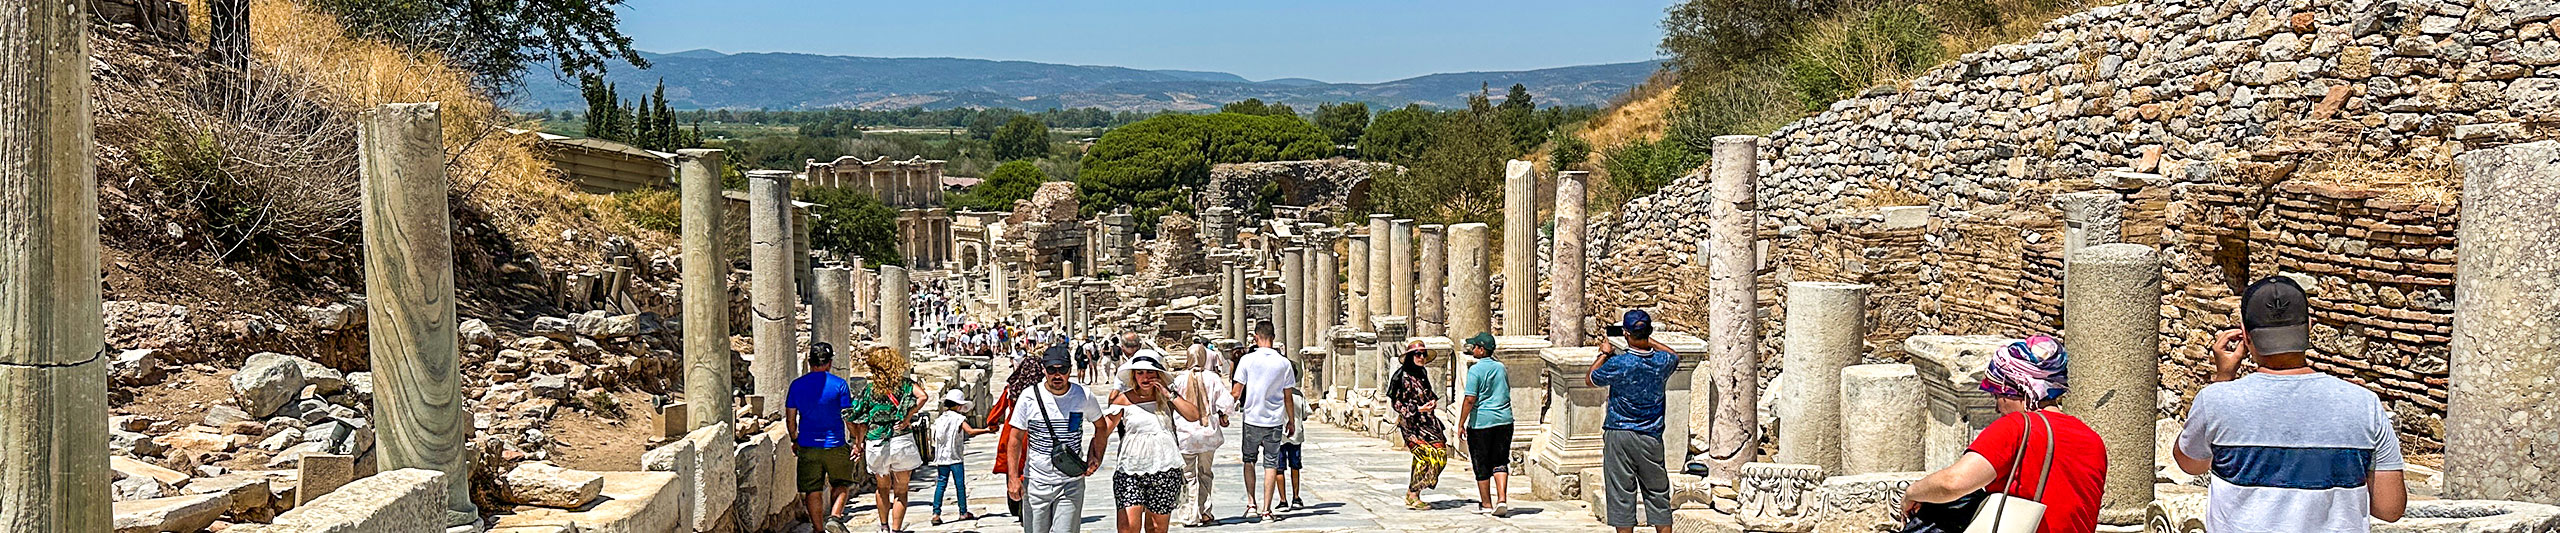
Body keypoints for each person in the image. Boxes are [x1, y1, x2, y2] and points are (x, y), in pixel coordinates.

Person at [2174, 277, 2405, 532]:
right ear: (2309, 328)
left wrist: (2223, 378)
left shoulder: (2216, 400)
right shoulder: (2366, 405)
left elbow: (2190, 464)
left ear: (2246, 336)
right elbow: (2389, 507)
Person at [1898, 335, 2107, 533]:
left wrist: (1912, 493)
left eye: (1997, 394)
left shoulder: (2016, 427)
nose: (1998, 407)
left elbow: (1952, 483)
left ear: (2019, 389)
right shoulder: (2093, 440)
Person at [1587, 310, 1677, 533]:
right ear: (1649, 331)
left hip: (1619, 433)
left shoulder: (1620, 362)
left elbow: (1590, 378)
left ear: (1626, 333)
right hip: (1650, 435)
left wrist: (1603, 353)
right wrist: (1647, 339)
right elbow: (1674, 355)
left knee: (1621, 494)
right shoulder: (1662, 361)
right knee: (1658, 494)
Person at [1007, 344, 1109, 533]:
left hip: (1071, 481)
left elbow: (1101, 427)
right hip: (1037, 481)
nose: (1057, 375)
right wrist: (1013, 478)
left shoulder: (1083, 395)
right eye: (1052, 370)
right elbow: (1015, 438)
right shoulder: (1029, 397)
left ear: (1069, 370)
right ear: (1044, 370)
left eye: (1062, 370)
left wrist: (1096, 455)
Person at [1102, 352, 1205, 533]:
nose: (1145, 377)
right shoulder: (1123, 399)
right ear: (1134, 376)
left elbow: (1194, 415)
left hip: (1164, 468)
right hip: (1130, 469)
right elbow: (1103, 431)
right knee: (1128, 528)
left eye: (1151, 373)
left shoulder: (1167, 398)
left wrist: (1169, 394)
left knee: (1156, 528)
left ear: (1158, 376)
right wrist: (1093, 456)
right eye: (1140, 372)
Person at [849, 346, 931, 533]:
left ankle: (884, 527)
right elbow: (923, 396)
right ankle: (896, 529)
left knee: (882, 487)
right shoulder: (905, 384)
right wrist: (908, 417)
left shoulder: (869, 391)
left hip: (877, 443)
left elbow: (856, 418)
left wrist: (858, 442)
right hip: (901, 440)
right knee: (901, 490)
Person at [786, 343, 860, 533]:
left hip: (808, 445)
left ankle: (818, 530)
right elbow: (847, 416)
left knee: (813, 489)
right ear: (829, 363)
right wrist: (855, 439)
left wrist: (795, 439)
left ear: (810, 362)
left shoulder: (796, 385)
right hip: (835, 443)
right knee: (841, 483)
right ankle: (835, 517)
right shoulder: (839, 385)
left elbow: (791, 419)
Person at [1229, 321, 1298, 522]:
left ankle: (1251, 504)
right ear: (1273, 337)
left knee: (1249, 460)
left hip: (1252, 418)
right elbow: (1288, 396)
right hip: (1274, 420)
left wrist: (1223, 411)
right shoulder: (1284, 363)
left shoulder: (1247, 360)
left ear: (1255, 337)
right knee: (1271, 464)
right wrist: (1291, 420)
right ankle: (1267, 509)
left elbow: (1236, 391)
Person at [1170, 344, 1236, 527]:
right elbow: (1228, 403)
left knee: (1187, 476)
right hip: (1208, 435)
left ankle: (1189, 515)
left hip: (1185, 435)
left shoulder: (1179, 380)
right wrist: (1223, 415)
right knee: (1205, 473)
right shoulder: (1212, 378)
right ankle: (1205, 511)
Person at [1454, 332, 1515, 516]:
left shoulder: (1476, 370)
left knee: (1481, 463)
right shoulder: (1501, 368)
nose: (1472, 349)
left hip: (1481, 422)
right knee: (1500, 461)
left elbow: (1470, 399)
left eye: (1475, 346)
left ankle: (1486, 503)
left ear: (1481, 349)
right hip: (1504, 420)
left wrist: (1461, 422)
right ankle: (1502, 499)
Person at [1387, 339, 1451, 511]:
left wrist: (1431, 403)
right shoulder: (1400, 376)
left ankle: (1414, 490)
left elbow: (1428, 393)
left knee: (1440, 455)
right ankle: (1413, 494)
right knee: (1424, 456)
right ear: (1410, 356)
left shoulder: (1422, 373)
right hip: (1412, 425)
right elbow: (1396, 404)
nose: (1421, 357)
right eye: (1418, 354)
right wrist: (1417, 409)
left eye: (1423, 354)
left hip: (1429, 423)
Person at [988, 344, 1049, 518]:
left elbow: (997, 410)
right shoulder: (1042, 392)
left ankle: (1015, 504)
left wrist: (992, 424)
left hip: (1012, 432)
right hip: (1034, 433)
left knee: (1013, 470)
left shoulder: (1011, 389)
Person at [929, 390, 994, 526]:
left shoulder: (940, 418)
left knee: (941, 484)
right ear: (959, 405)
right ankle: (963, 512)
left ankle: (936, 514)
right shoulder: (959, 419)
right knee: (959, 485)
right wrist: (987, 430)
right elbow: (970, 431)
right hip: (955, 457)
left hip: (942, 457)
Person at [1277, 376, 1311, 511]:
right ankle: (1296, 497)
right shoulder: (1298, 394)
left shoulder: (1275, 394)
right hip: (1296, 434)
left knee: (1279, 468)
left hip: (1278, 434)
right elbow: (1305, 414)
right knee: (1295, 466)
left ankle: (1282, 500)